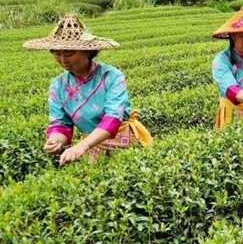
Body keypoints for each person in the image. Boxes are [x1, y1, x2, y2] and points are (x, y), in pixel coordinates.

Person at [24, 13, 152, 165]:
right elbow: (61, 123)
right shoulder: (57, 85)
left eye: (69, 53)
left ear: (88, 51)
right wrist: (54, 141)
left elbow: (113, 118)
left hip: (124, 140)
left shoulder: (112, 77)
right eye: (57, 54)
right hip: (91, 147)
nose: (63, 60)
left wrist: (81, 146)